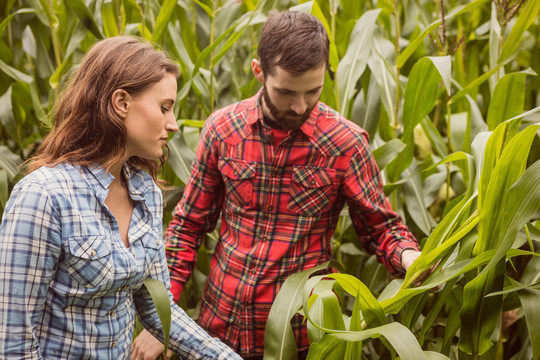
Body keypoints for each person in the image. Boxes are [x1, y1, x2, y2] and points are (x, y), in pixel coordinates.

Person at [133, 10, 422, 360]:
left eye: (313, 91)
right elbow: (188, 226)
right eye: (286, 92)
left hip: (300, 336)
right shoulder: (223, 130)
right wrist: (164, 316)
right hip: (217, 329)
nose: (300, 106)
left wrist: (410, 258)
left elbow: (380, 228)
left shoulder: (346, 143)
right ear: (259, 71)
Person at [0, 36, 242, 360]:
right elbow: (13, 342)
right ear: (121, 103)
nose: (172, 124)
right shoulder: (43, 197)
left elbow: (158, 308)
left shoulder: (148, 195)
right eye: (164, 107)